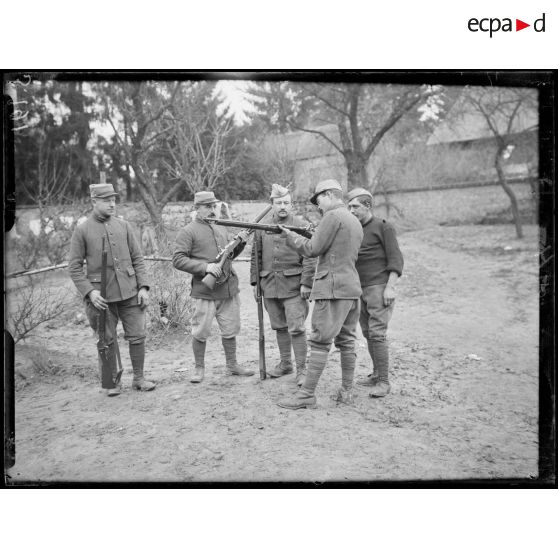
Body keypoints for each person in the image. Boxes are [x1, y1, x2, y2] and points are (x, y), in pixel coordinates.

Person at [276, 179, 364, 409]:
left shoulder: (332, 217)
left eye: (319, 200)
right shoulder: (354, 219)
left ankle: (306, 396)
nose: (318, 206)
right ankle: (346, 392)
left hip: (332, 290)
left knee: (319, 342)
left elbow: (312, 249)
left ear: (329, 195)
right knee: (346, 341)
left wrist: (290, 236)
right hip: (351, 289)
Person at [68, 183, 155, 397]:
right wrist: (89, 292)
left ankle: (139, 378)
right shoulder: (82, 230)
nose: (112, 203)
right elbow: (74, 267)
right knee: (106, 339)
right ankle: (111, 382)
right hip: (101, 297)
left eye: (114, 199)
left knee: (137, 335)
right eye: (106, 200)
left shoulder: (123, 226)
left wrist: (143, 287)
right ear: (94, 202)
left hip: (130, 292)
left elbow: (137, 258)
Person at [172, 191, 254, 383]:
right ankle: (199, 369)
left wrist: (240, 242)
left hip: (227, 288)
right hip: (205, 290)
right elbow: (178, 259)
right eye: (207, 206)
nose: (211, 210)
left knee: (231, 328)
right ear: (196, 208)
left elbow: (229, 256)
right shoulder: (188, 231)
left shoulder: (221, 228)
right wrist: (205, 267)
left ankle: (232, 365)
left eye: (213, 206)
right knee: (200, 331)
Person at [250, 184, 316, 386]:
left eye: (286, 202)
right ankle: (286, 363)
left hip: (294, 287)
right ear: (272, 204)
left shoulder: (300, 224)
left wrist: (306, 283)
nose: (282, 206)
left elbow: (310, 256)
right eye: (278, 203)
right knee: (279, 327)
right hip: (269, 284)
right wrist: (255, 282)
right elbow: (256, 255)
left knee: (296, 328)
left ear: (291, 204)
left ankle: (302, 370)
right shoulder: (262, 227)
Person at [347, 188, 404, 397]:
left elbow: (396, 259)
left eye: (355, 207)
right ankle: (375, 373)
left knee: (378, 334)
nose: (351, 210)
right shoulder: (353, 229)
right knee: (368, 333)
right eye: (349, 206)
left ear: (368, 206)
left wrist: (390, 287)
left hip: (379, 288)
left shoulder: (383, 227)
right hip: (358, 289)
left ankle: (384, 381)